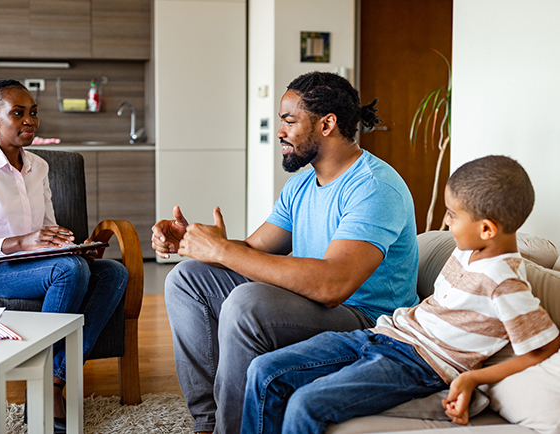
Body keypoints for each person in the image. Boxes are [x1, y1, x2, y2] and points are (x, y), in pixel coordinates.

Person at [151, 71, 420, 434]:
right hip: (316, 304)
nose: (280, 131)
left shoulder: (373, 187)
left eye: (290, 121)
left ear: (327, 124)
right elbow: (253, 251)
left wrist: (224, 251)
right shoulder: (302, 185)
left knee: (247, 304)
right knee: (187, 279)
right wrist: (197, 242)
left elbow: (333, 285)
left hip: (368, 319)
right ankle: (208, 423)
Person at [241, 155, 560, 434]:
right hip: (385, 333)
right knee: (265, 370)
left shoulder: (504, 280)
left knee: (306, 404)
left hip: (418, 364)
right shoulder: (469, 249)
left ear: (487, 229)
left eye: (453, 214)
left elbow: (543, 346)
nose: (445, 221)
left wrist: (471, 380)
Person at [0, 79, 128, 434]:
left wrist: (73, 247)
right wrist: (17, 243)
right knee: (68, 271)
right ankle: (43, 383)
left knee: (112, 272)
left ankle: (52, 381)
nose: (29, 120)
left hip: (34, 267)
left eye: (33, 113)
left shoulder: (38, 167)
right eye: (18, 113)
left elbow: (48, 230)